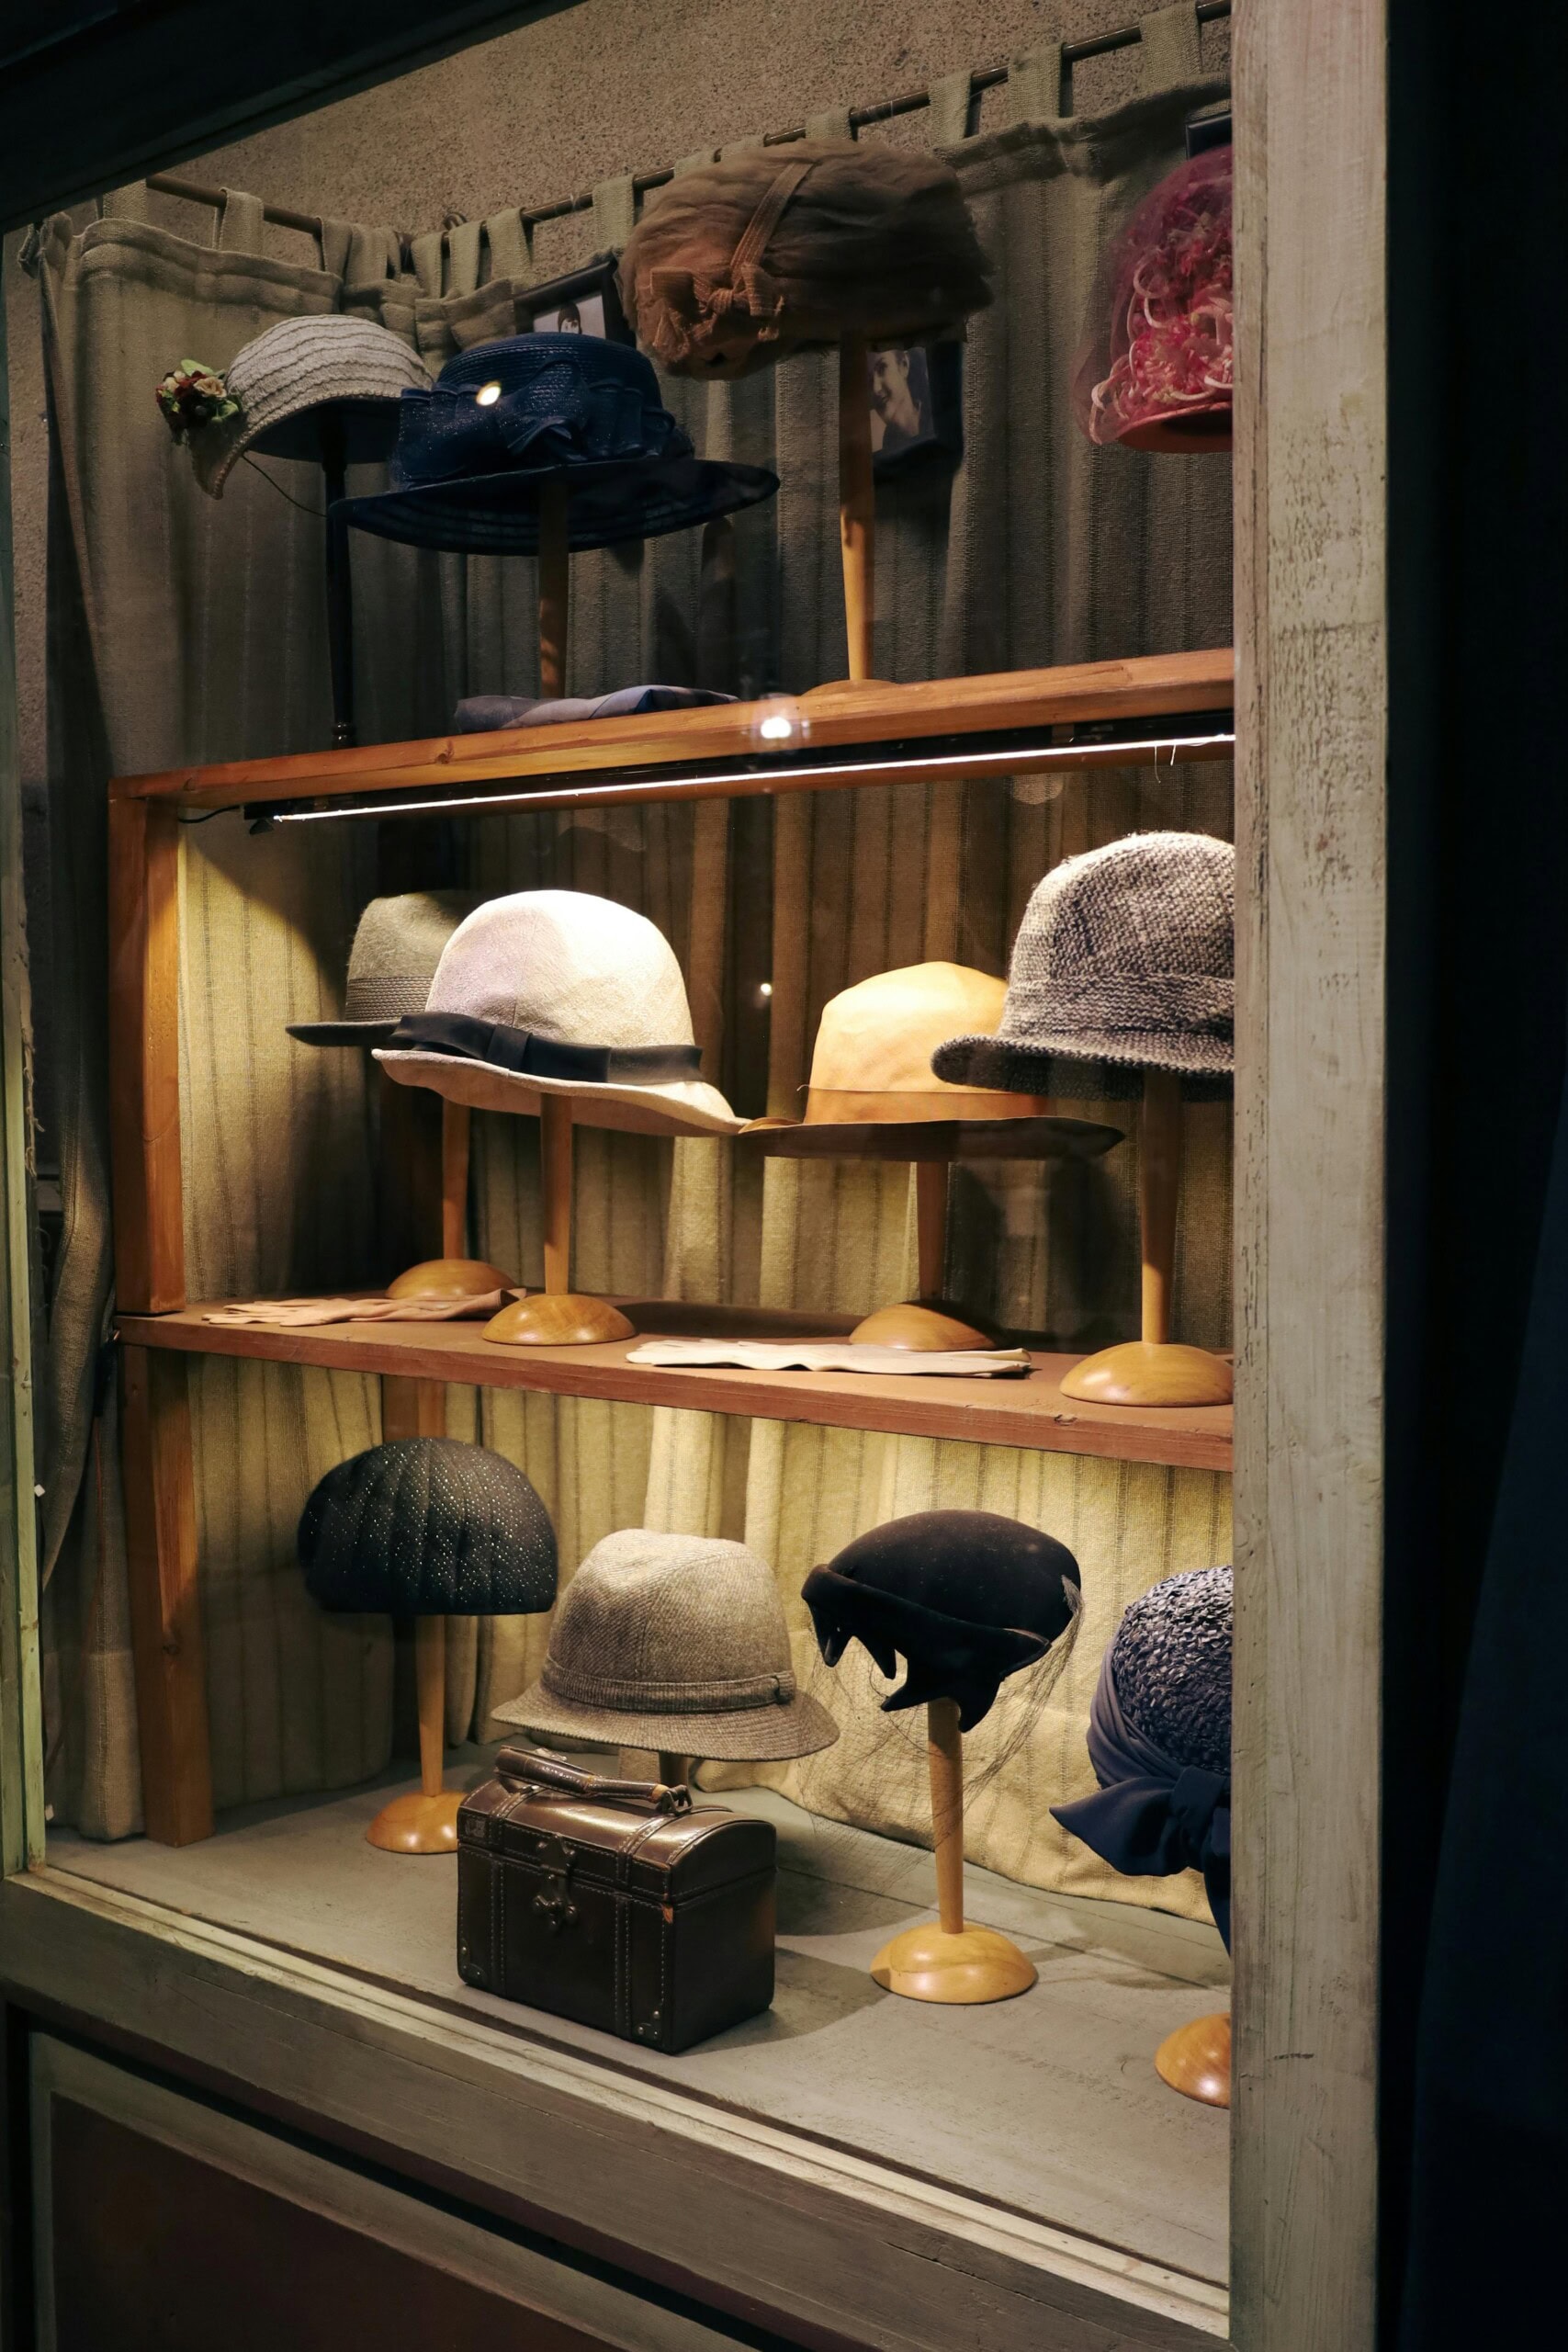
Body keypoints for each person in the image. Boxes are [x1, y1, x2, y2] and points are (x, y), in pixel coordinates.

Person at [868, 345, 925, 454]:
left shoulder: (935, 415)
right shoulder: (888, 446)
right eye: (869, 379)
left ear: (904, 365)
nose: (875, 388)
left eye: (882, 368)